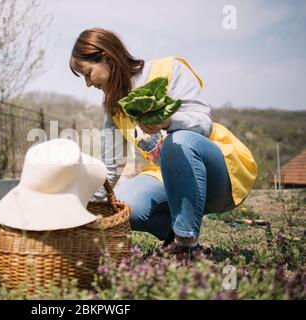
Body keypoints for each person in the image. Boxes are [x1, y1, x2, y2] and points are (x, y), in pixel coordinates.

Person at [69, 27, 258, 253]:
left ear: (107, 57)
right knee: (122, 206)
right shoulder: (113, 106)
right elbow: (109, 168)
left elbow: (204, 124)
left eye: (88, 73)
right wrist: (85, 206)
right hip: (166, 177)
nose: (88, 84)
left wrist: (168, 122)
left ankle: (186, 247)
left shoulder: (169, 69)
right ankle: (175, 233)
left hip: (218, 174)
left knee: (178, 143)